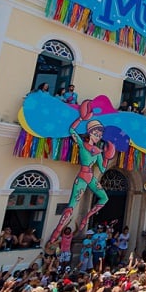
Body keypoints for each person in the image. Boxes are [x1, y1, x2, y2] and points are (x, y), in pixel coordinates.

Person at [46, 100, 115, 245]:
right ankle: (55, 234)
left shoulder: (98, 151)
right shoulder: (83, 146)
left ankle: (86, 218)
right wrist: (81, 119)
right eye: (96, 133)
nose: (98, 136)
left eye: (100, 134)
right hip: (83, 177)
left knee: (104, 198)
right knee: (71, 206)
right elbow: (72, 130)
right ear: (90, 133)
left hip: (90, 177)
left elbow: (103, 169)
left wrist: (107, 157)